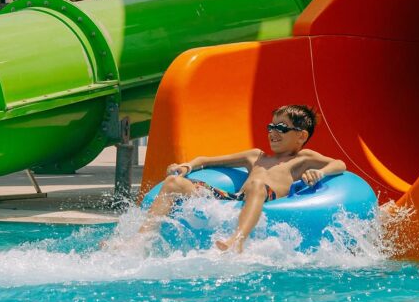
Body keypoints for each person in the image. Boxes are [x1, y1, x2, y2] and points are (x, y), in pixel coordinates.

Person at [138, 104, 346, 252]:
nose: (273, 132)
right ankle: (142, 238)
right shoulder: (255, 156)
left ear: (301, 135)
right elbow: (206, 160)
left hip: (266, 197)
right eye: (271, 127)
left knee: (257, 184)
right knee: (173, 183)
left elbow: (339, 164)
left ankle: (237, 241)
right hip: (237, 198)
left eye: (282, 128)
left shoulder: (302, 159)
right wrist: (187, 166)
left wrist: (320, 173)